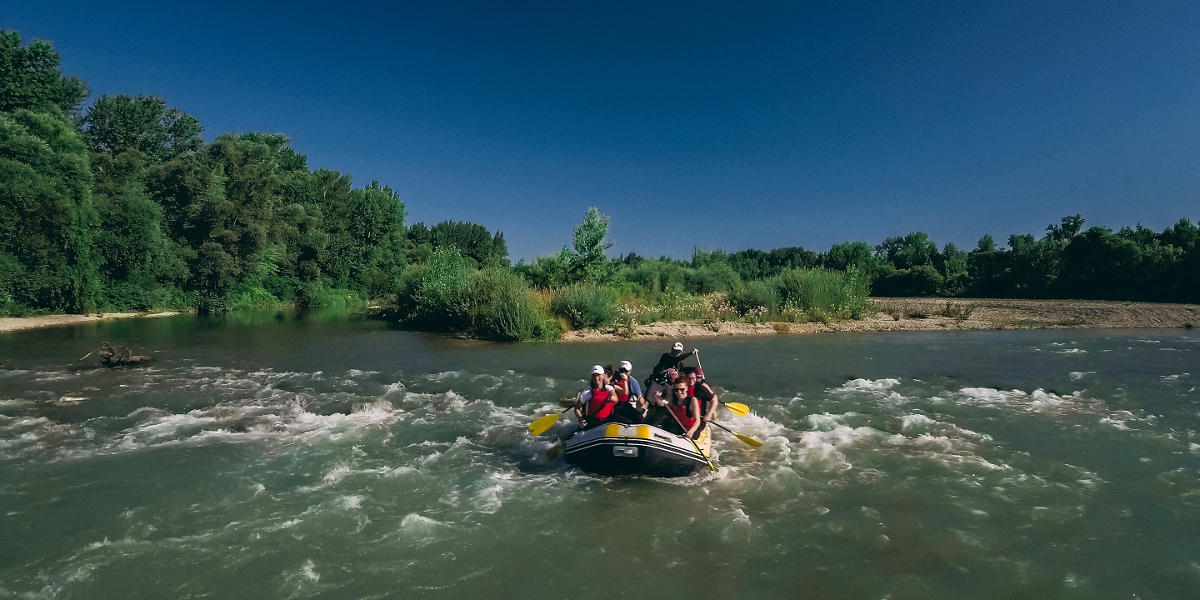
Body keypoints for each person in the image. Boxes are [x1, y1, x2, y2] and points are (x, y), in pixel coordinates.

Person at [574, 365, 617, 429]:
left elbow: (616, 399)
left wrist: (610, 398)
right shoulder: (587, 392)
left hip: (607, 419)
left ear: (603, 376)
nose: (596, 378)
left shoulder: (609, 389)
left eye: (598, 375)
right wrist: (581, 419)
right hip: (593, 420)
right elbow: (576, 408)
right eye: (594, 375)